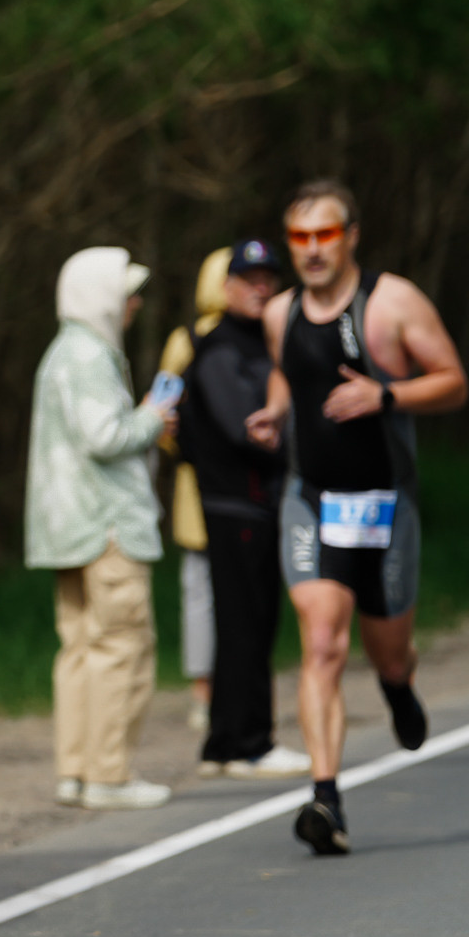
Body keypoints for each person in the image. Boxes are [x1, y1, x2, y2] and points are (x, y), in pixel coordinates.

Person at [246, 179, 468, 857]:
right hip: (311, 498)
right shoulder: (279, 311)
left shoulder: (392, 303)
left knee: (386, 652)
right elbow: (290, 369)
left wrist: (387, 393)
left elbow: (455, 381)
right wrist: (275, 409)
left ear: (351, 236)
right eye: (300, 238)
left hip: (385, 504)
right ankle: (326, 800)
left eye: (325, 235)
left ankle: (399, 687)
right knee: (321, 643)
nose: (312, 250)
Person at [25, 246, 181, 812]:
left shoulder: (62, 352)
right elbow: (104, 436)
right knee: (123, 647)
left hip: (68, 530)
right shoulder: (91, 355)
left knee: (81, 650)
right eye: (126, 292)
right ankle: (110, 774)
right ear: (99, 297)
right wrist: (153, 418)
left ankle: (78, 771)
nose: (135, 302)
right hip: (106, 526)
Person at [179, 239, 307, 779]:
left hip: (256, 506)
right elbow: (247, 429)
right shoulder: (221, 348)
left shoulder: (263, 344)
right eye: (249, 278)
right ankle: (249, 740)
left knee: (250, 620)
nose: (260, 287)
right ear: (226, 287)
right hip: (236, 505)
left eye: (267, 278)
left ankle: (228, 741)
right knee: (246, 621)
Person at [158, 248, 232, 738]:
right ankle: (209, 695)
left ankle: (217, 694)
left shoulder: (184, 342)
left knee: (210, 595)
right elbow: (164, 415)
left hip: (212, 486)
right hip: (202, 486)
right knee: (208, 593)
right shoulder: (185, 342)